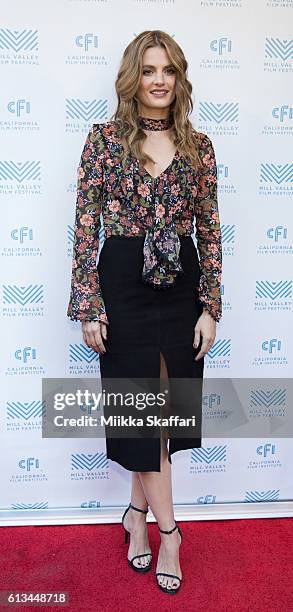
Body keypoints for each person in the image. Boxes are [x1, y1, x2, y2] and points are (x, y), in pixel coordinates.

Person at [67, 30, 222, 594]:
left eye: (169, 71)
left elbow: (210, 228)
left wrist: (211, 306)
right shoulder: (104, 140)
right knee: (142, 412)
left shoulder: (199, 145)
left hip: (182, 282)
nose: (159, 80)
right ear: (134, 77)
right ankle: (170, 532)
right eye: (150, 70)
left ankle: (135, 517)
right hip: (124, 280)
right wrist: (88, 303)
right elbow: (87, 227)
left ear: (179, 79)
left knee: (164, 412)